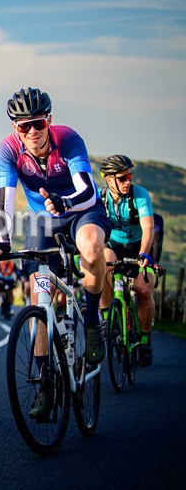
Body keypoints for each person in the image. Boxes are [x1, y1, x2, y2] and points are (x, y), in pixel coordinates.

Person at [0, 87, 111, 420]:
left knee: (93, 247)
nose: (33, 132)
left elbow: (87, 188)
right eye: (24, 126)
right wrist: (1, 241)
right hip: (43, 221)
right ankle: (44, 386)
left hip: (82, 210)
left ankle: (92, 319)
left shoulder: (67, 139)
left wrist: (66, 202)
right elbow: (4, 201)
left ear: (49, 120)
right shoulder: (9, 151)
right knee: (41, 301)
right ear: (15, 128)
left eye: (38, 124)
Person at [98, 155, 156, 366]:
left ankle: (144, 339)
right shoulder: (101, 197)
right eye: (122, 178)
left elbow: (148, 227)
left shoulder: (139, 195)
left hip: (142, 245)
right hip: (115, 245)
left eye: (129, 176)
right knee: (103, 264)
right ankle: (106, 315)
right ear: (109, 179)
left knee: (143, 289)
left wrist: (144, 254)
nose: (127, 182)